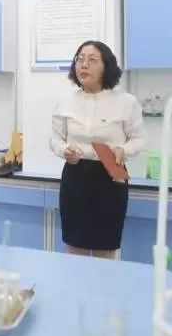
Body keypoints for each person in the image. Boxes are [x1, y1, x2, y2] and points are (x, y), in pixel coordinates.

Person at [49, 40, 146, 259]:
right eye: (80, 59)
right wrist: (64, 150)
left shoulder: (126, 102)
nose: (84, 65)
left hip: (111, 177)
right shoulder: (65, 101)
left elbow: (139, 139)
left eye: (92, 60)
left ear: (106, 67)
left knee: (106, 248)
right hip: (76, 176)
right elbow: (55, 139)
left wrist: (123, 150)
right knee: (75, 247)